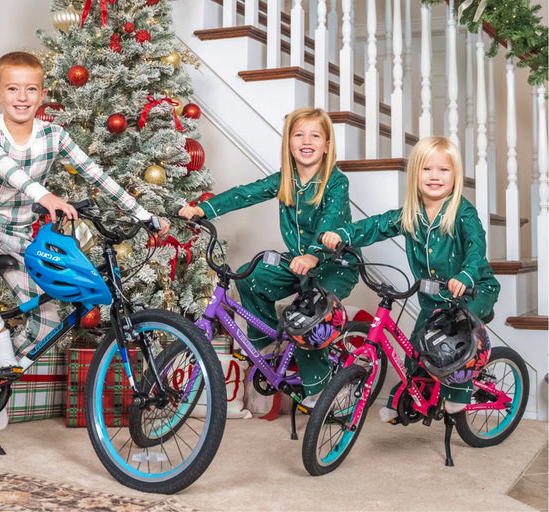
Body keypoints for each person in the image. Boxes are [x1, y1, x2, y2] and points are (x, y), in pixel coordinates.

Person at [0, 51, 169, 430]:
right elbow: (5, 167)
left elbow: (95, 174)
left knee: (49, 319)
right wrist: (44, 196)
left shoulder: (54, 135)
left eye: (31, 89)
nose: (22, 97)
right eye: (13, 89)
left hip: (18, 235)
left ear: (42, 94)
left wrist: (142, 215)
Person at [178, 107, 359, 407]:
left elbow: (330, 222)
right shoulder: (284, 179)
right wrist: (203, 209)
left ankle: (322, 389)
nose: (306, 141)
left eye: (315, 135)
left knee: (309, 316)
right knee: (252, 276)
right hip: (300, 261)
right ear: (288, 142)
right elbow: (245, 193)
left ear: (327, 145)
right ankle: (267, 347)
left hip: (334, 264)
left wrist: (314, 256)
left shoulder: (336, 182)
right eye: (298, 134)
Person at [321, 135, 500, 422]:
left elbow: (476, 249)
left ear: (456, 176)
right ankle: (406, 399)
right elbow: (375, 225)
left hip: (474, 290)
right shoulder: (410, 215)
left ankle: (458, 393)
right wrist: (342, 234)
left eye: (444, 170)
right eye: (427, 169)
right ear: (415, 174)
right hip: (433, 298)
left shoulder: (463, 213)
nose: (435, 176)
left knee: (460, 336)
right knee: (416, 349)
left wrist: (465, 275)